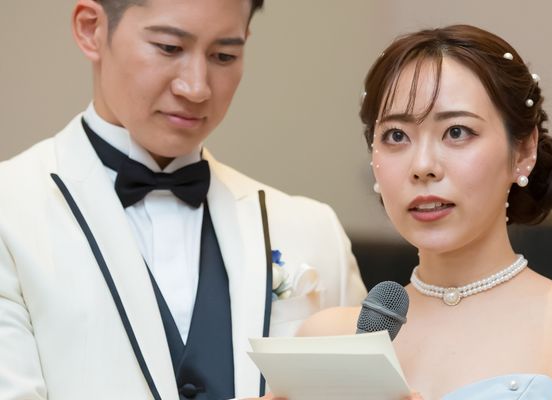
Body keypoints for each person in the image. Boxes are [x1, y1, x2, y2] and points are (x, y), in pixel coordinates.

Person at [0, 0, 366, 399]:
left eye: (223, 55)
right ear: (91, 29)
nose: (196, 88)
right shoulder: (11, 210)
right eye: (169, 48)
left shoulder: (314, 232)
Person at [298, 24, 552, 399]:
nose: (423, 166)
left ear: (523, 151)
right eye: (396, 135)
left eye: (457, 132)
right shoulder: (329, 341)